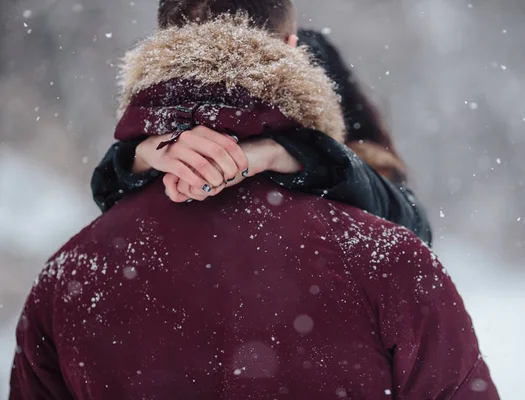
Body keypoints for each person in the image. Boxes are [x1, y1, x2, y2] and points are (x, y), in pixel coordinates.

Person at [10, 1, 499, 399]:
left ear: (156, 52)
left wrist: (140, 153)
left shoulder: (70, 273)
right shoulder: (383, 255)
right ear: (294, 53)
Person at [91, 30, 432, 245]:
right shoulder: (166, 83)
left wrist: (290, 153)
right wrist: (142, 155)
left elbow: (411, 229)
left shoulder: (311, 55)